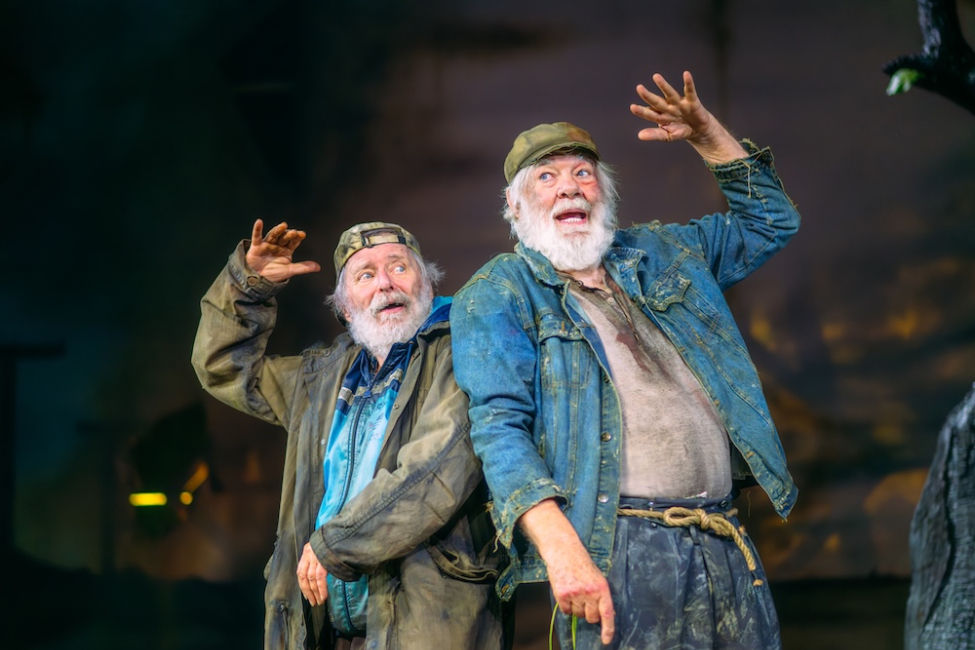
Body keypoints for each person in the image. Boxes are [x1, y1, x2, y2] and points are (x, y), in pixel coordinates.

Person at [450, 70, 800, 649]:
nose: (569, 188)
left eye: (583, 173)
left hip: (722, 537)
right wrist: (563, 553)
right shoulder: (501, 290)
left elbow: (772, 221)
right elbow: (499, 429)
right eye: (546, 177)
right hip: (616, 547)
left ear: (605, 193)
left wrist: (706, 135)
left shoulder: (664, 253)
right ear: (514, 205)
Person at [192, 220, 506, 650]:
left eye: (399, 267)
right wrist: (248, 287)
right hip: (328, 630)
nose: (385, 284)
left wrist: (332, 545)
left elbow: (432, 473)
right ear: (343, 307)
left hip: (427, 626)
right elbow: (223, 366)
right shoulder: (320, 379)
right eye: (365, 275)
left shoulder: (462, 352)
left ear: (428, 284)